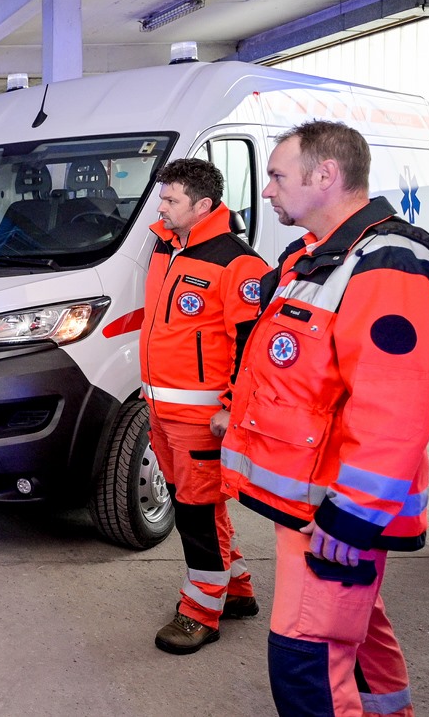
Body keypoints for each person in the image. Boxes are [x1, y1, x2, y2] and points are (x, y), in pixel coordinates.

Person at [219, 121, 429, 716]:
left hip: (335, 511)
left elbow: (394, 410)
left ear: (325, 174)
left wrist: (353, 515)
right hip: (310, 502)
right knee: (359, 637)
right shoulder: (313, 257)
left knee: (306, 661)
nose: (267, 190)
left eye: (277, 175)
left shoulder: (391, 263)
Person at [139, 158, 269, 655]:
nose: (161, 207)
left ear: (203, 205)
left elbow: (251, 344)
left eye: (171, 200)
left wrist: (232, 407)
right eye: (162, 198)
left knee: (195, 516)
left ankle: (200, 614)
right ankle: (236, 589)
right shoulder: (165, 246)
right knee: (198, 507)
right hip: (162, 408)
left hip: (202, 418)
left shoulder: (238, 263)